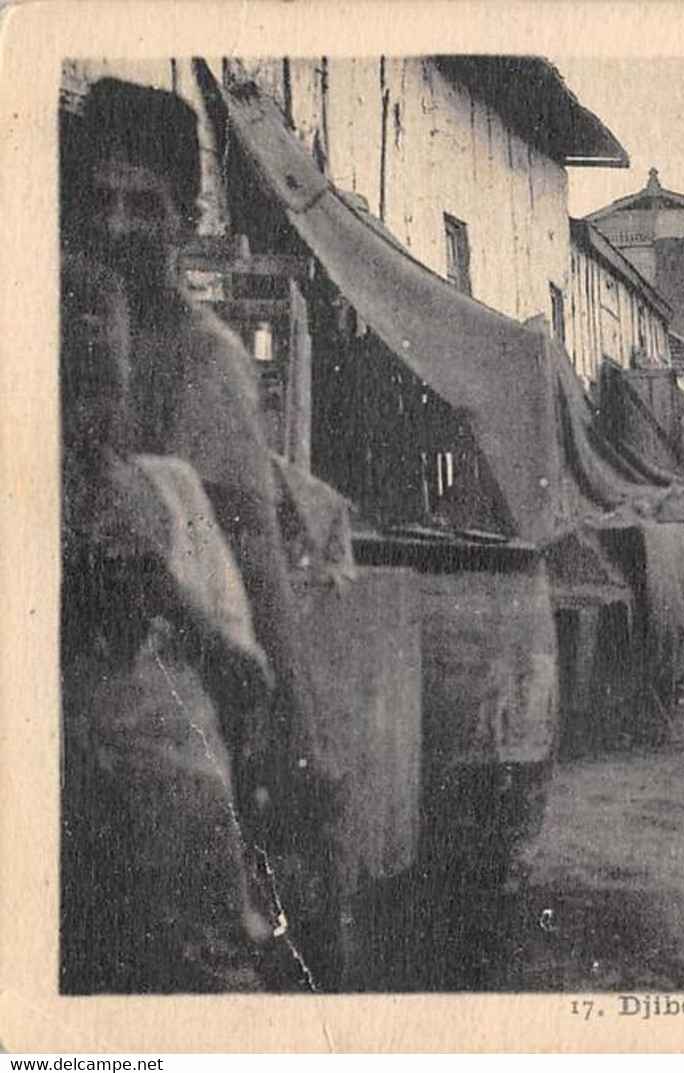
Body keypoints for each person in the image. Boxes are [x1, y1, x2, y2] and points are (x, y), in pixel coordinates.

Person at [60, 80, 337, 989]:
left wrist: (298, 749)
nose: (120, 222)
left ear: (186, 216)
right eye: (100, 198)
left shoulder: (206, 361)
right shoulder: (55, 330)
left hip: (168, 728)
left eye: (146, 203)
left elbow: (255, 567)